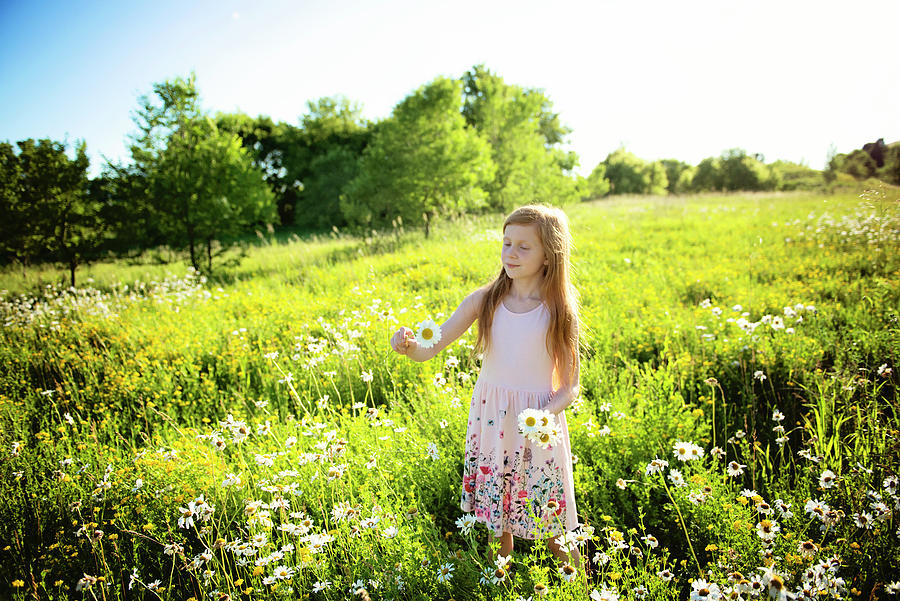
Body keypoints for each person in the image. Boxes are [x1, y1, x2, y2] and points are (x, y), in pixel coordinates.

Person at [389, 204, 584, 574]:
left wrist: (544, 415)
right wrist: (408, 344)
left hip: (538, 427)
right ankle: (500, 584)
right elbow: (432, 346)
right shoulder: (485, 299)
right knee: (499, 523)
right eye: (507, 243)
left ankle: (582, 588)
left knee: (554, 524)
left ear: (549, 254)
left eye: (524, 247)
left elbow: (571, 386)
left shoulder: (559, 309)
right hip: (493, 421)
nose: (511, 253)